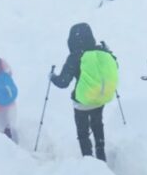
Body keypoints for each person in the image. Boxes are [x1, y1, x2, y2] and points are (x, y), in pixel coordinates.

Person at [50, 23, 117, 161]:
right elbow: (115, 66)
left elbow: (63, 82)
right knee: (97, 124)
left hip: (82, 101)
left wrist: (52, 77)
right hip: (100, 98)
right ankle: (101, 154)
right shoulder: (102, 52)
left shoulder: (76, 56)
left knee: (83, 132)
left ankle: (88, 160)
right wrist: (107, 51)